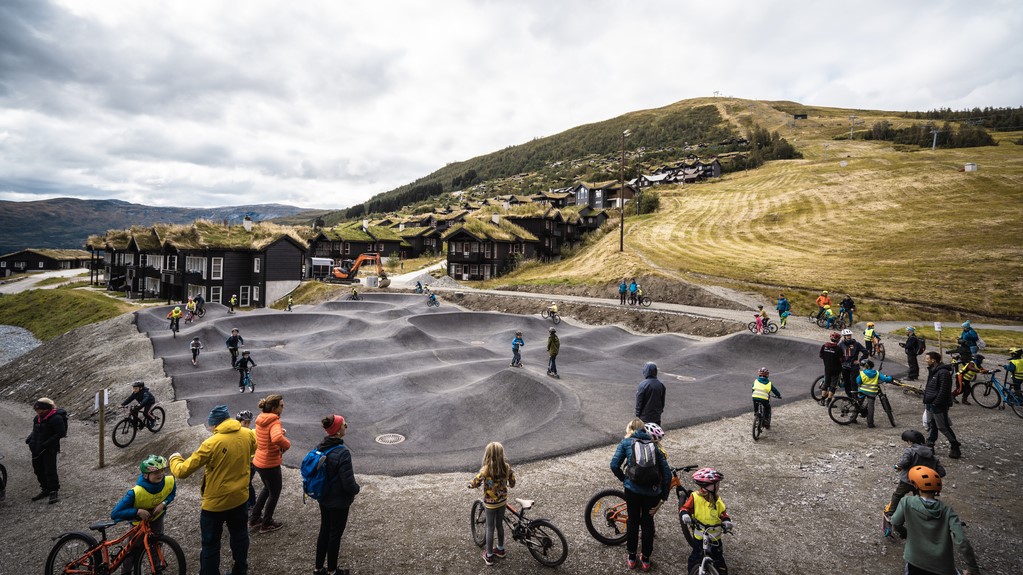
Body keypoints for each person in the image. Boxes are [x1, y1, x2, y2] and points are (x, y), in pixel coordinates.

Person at [169, 405, 256, 575]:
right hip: (240, 498)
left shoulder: (211, 443)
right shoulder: (248, 434)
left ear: (215, 425)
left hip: (215, 504)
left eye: (211, 426)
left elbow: (182, 471)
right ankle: (241, 570)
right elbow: (254, 448)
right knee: (240, 536)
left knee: (211, 545)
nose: (210, 429)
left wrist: (174, 458)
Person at [891, 466, 979, 575]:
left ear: (915, 485)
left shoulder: (906, 502)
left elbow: (895, 522)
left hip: (915, 561)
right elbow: (962, 541)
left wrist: (905, 532)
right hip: (943, 566)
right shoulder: (948, 511)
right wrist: (972, 568)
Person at [611, 418, 672, 572]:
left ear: (631, 429)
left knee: (632, 521)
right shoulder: (654, 446)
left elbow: (614, 465)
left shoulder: (626, 443)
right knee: (647, 523)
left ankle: (631, 558)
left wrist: (624, 479)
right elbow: (667, 474)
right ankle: (645, 560)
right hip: (652, 493)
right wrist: (663, 498)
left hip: (632, 490)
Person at [111, 455, 177, 575]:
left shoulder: (169, 481)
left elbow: (171, 493)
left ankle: (157, 569)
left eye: (162, 470)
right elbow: (115, 514)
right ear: (146, 475)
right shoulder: (135, 493)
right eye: (156, 472)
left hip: (157, 519)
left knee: (156, 546)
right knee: (131, 551)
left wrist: (163, 503)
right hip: (138, 524)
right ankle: (126, 572)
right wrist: (137, 512)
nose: (161, 474)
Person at [314, 415, 360, 575]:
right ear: (338, 430)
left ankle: (318, 568)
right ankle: (333, 571)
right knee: (335, 535)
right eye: (343, 425)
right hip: (338, 500)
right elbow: (348, 484)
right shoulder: (343, 453)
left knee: (324, 530)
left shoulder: (321, 446)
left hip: (324, 496)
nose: (346, 426)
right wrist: (357, 489)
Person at [884, 430, 946, 539]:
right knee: (920, 498)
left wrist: (897, 466)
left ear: (910, 441)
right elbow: (941, 472)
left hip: (907, 480)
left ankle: (890, 513)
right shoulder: (931, 454)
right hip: (922, 484)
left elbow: (904, 462)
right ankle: (922, 515)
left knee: (898, 495)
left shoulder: (910, 451)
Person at [468, 442, 516, 566]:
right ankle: (500, 549)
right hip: (502, 502)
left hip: (490, 504)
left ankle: (489, 556)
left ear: (488, 455)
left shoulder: (486, 469)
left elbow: (476, 481)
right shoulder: (506, 467)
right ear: (501, 454)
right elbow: (512, 482)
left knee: (490, 528)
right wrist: (509, 482)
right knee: (499, 525)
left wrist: (471, 485)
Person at [249, 395, 290, 534]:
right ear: (274, 408)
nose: (283, 408)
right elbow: (277, 437)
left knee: (267, 489)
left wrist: (279, 433)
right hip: (270, 463)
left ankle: (254, 518)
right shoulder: (274, 422)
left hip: (259, 461)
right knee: (274, 492)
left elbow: (268, 436)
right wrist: (287, 444)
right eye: (281, 405)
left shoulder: (261, 419)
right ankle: (266, 523)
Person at [679, 468, 732, 575]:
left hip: (715, 538)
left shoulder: (718, 500)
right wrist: (685, 514)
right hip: (700, 537)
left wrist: (726, 521)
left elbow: (723, 514)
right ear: (709, 487)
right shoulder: (695, 497)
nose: (718, 486)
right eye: (716, 484)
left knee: (719, 560)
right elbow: (685, 508)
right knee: (695, 559)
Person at [26, 397, 67, 504]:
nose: (37, 412)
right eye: (36, 410)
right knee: (38, 469)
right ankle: (45, 489)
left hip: (49, 449)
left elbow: (61, 433)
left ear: (46, 409)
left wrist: (46, 444)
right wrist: (30, 439)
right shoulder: (37, 418)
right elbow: (35, 430)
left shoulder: (56, 418)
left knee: (50, 470)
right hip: (36, 448)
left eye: (39, 410)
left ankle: (53, 491)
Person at [923, 352, 961, 459]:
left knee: (942, 426)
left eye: (927, 358)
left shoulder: (943, 372)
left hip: (938, 404)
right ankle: (930, 444)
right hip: (930, 402)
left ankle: (954, 445)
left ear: (933, 360)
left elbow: (944, 390)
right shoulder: (932, 370)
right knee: (932, 424)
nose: (926, 360)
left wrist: (936, 402)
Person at [856, 359, 894, 428]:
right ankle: (870, 423)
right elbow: (885, 379)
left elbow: (858, 381)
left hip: (862, 391)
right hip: (872, 392)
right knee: (871, 407)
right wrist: (890, 378)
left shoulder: (862, 373)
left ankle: (852, 418)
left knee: (858, 404)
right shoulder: (876, 373)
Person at [236, 410, 257, 514]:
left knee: (247, 484)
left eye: (248, 422)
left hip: (251, 463)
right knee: (245, 484)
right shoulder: (235, 434)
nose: (247, 425)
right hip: (242, 463)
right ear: (239, 422)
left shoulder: (252, 432)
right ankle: (250, 505)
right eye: (245, 423)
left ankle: (252, 505)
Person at [839, 329, 868, 397]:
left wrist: (860, 360)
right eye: (847, 335)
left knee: (854, 382)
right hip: (844, 366)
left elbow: (865, 352)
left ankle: (855, 397)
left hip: (854, 366)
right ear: (844, 336)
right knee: (847, 382)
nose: (849, 336)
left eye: (850, 335)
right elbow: (837, 353)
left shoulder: (856, 344)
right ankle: (849, 397)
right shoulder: (840, 344)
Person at [819, 332, 843, 406]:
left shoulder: (824, 346)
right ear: (838, 340)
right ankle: (829, 402)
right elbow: (842, 359)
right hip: (836, 370)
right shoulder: (838, 349)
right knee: (833, 386)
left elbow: (821, 355)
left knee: (826, 384)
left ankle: (822, 400)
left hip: (827, 368)